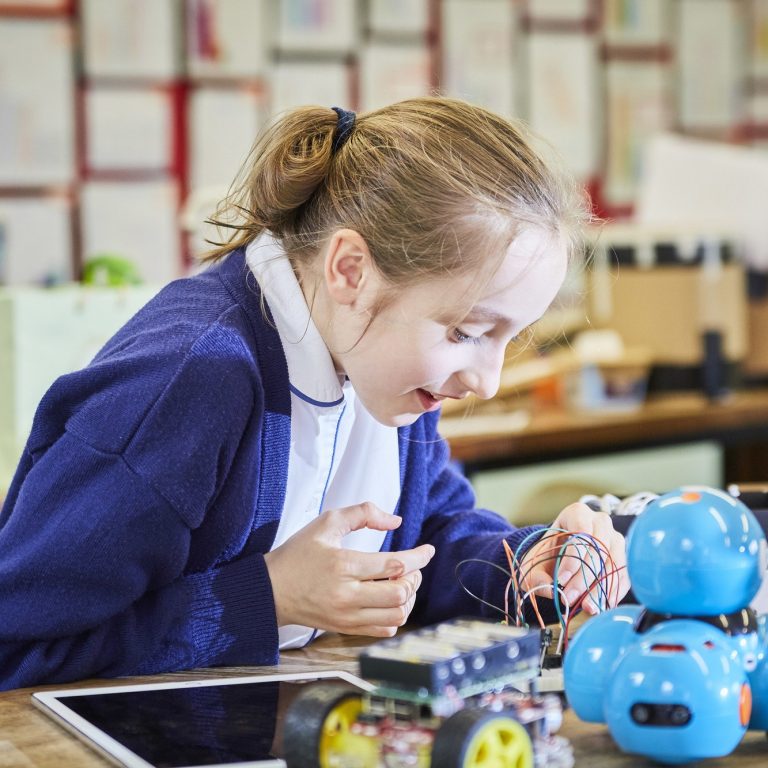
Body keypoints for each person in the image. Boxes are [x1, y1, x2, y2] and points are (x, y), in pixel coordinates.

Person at [0, 98, 629, 691]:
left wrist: (529, 567)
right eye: (466, 331)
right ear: (349, 270)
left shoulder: (378, 361)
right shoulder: (188, 384)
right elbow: (17, 645)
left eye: (509, 339)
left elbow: (426, 540)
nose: (486, 381)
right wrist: (269, 598)